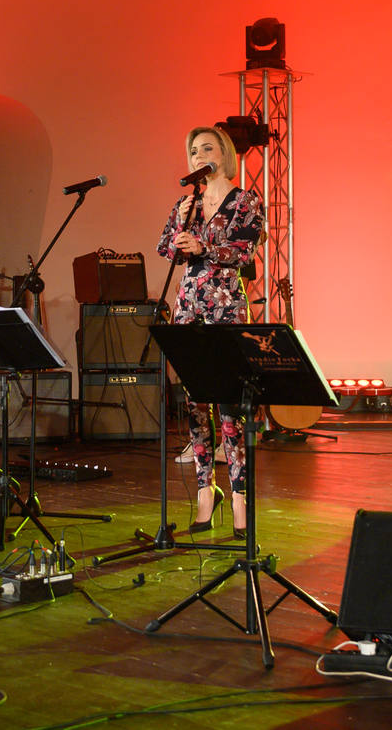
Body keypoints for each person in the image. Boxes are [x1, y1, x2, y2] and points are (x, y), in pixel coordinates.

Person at [155, 126, 263, 536]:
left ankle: (239, 496)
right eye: (194, 151)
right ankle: (205, 489)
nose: (199, 157)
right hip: (189, 307)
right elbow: (166, 250)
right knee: (196, 403)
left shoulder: (244, 201)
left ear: (224, 154)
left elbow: (244, 252)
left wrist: (205, 248)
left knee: (230, 407)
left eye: (207, 149)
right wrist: (180, 225)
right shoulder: (187, 203)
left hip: (225, 306)